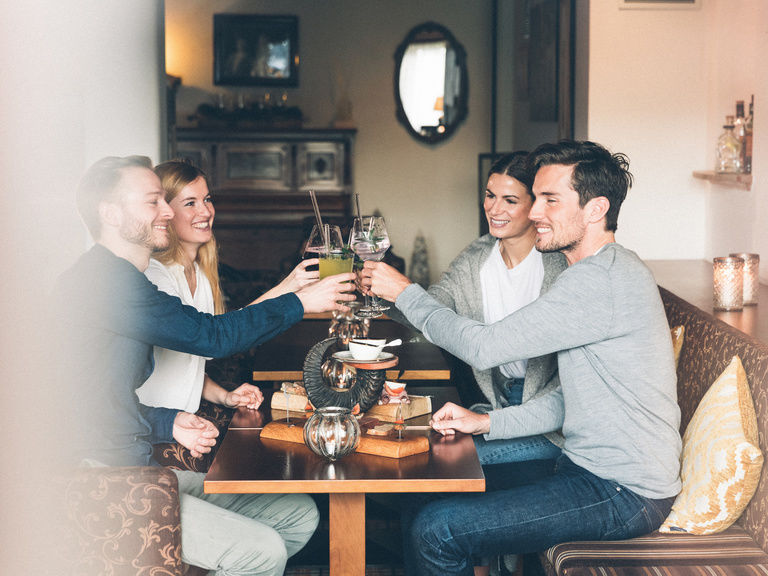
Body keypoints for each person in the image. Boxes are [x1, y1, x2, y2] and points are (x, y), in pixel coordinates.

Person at [362, 140, 682, 576]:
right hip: (582, 469)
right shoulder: (593, 273)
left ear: (595, 209)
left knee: (438, 530)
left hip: (623, 492)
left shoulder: (601, 280)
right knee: (426, 495)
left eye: (550, 199)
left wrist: (404, 291)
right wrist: (487, 422)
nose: (534, 212)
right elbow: (569, 399)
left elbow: (482, 347)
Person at [57, 155, 356, 576]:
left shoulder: (122, 280)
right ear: (110, 213)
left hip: (135, 463)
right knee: (263, 551)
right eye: (153, 202)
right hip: (108, 481)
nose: (167, 212)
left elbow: (98, 399)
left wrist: (166, 422)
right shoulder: (106, 283)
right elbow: (212, 337)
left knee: (297, 514)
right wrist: (301, 302)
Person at [384, 151, 567, 466]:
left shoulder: (560, 263)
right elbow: (432, 308)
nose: (494, 209)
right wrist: (383, 296)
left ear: (535, 205)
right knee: (412, 448)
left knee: (429, 461)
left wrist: (402, 291)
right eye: (490, 195)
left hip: (551, 421)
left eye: (510, 200)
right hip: (494, 406)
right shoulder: (476, 257)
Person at [136, 160, 318, 416]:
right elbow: (215, 339)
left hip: (184, 418)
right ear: (166, 212)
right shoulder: (156, 275)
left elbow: (219, 337)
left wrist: (225, 396)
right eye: (190, 203)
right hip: (159, 426)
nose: (206, 211)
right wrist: (301, 300)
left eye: (207, 199)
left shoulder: (199, 272)